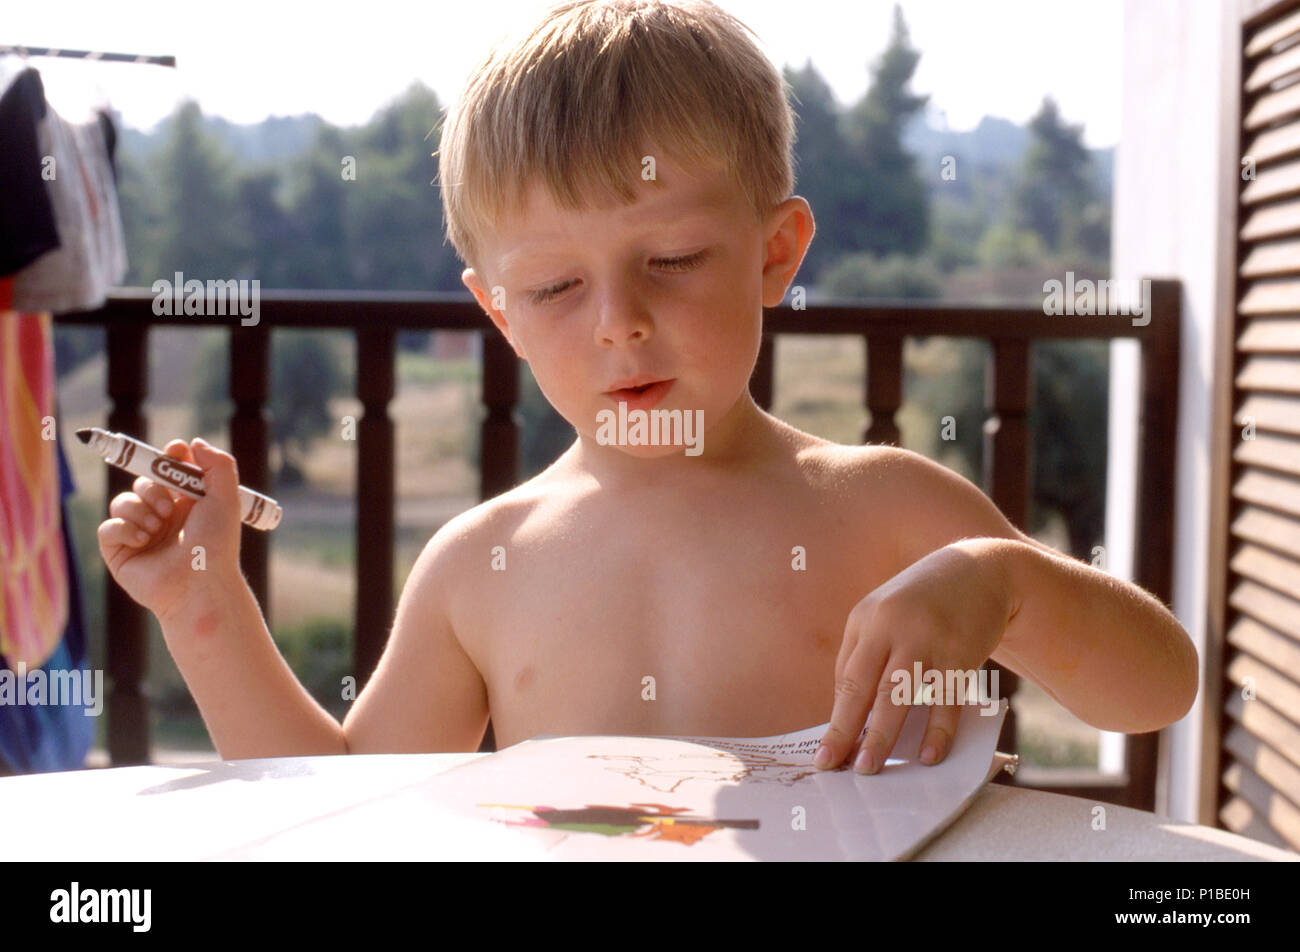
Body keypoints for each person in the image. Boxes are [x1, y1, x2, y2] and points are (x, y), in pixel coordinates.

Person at [94, 0, 1196, 774]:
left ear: (774, 251)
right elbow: (344, 817)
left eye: (669, 261)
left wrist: (1005, 584)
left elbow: (1156, 688)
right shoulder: (483, 565)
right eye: (559, 284)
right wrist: (206, 611)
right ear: (499, 313)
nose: (619, 318)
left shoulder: (890, 514)